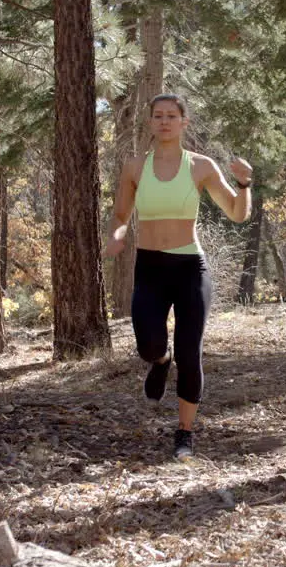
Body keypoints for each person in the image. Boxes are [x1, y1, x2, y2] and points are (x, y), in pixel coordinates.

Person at [104, 93, 253, 460]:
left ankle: (184, 433)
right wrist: (117, 235)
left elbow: (236, 213)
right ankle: (158, 362)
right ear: (150, 122)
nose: (165, 121)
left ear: (184, 122)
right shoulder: (134, 167)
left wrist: (246, 185)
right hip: (150, 268)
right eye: (158, 116)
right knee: (149, 344)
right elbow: (121, 216)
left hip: (190, 268)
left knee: (190, 352)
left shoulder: (200, 166)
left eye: (172, 115)